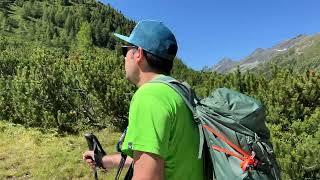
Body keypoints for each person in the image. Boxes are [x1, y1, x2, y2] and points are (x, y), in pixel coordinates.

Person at [83, 20, 203, 180]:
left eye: (125, 51)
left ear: (138, 53)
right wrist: (104, 161)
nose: (124, 58)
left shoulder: (149, 97)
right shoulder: (180, 93)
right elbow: (155, 157)